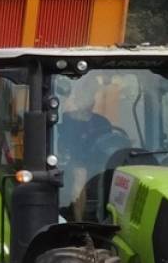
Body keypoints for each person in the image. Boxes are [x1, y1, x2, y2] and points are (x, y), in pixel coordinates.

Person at [53, 75, 131, 216]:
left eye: (92, 95)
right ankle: (79, 221)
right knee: (80, 175)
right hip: (76, 161)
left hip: (99, 160)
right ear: (78, 97)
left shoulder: (102, 122)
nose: (90, 100)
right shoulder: (66, 120)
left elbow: (107, 143)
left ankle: (107, 214)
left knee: (116, 174)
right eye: (86, 95)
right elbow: (62, 145)